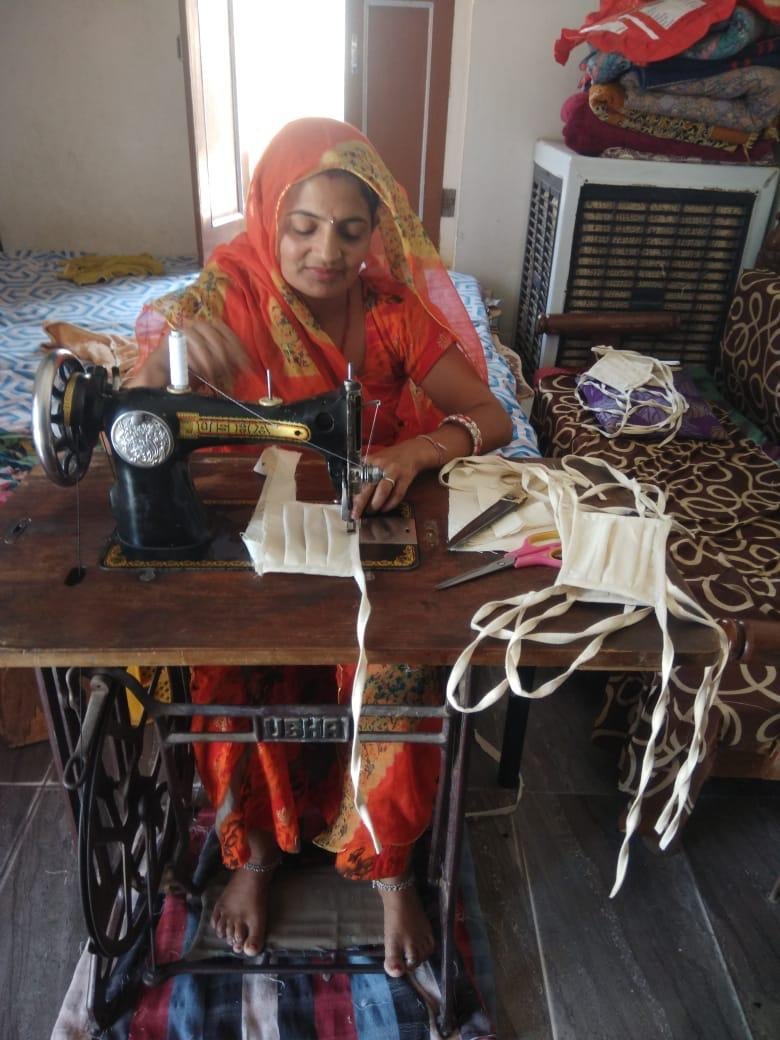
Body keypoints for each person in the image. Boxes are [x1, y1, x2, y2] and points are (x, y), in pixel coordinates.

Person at [129, 117, 512, 976]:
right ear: (268, 216)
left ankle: (388, 869)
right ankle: (255, 856)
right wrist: (173, 361)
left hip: (367, 524)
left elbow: (491, 417)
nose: (325, 252)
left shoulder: (391, 316)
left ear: (376, 232)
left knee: (401, 664)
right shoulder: (223, 297)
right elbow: (137, 400)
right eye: (303, 226)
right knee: (227, 664)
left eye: (349, 229)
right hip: (262, 537)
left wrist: (416, 451)